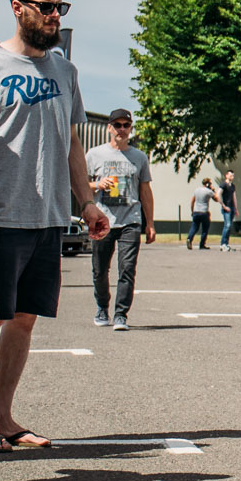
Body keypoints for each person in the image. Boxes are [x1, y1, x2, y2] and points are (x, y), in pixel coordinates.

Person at [0, 0, 109, 454]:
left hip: (47, 217)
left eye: (59, 8)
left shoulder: (65, 69)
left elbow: (72, 147)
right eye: (45, 6)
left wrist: (85, 202)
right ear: (17, 6)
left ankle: (3, 416)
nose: (53, 16)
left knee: (24, 320)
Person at [86, 107, 154, 331]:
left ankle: (121, 314)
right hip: (102, 220)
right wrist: (96, 184)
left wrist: (150, 223)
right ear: (109, 128)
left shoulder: (139, 157)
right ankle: (102, 308)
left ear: (130, 129)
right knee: (99, 269)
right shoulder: (94, 155)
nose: (122, 129)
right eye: (118, 125)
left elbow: (145, 191)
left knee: (127, 268)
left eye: (126, 125)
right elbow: (79, 184)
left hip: (131, 221)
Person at [187, 178, 214, 250]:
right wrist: (213, 190)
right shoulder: (209, 191)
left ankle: (189, 239)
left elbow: (192, 201)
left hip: (196, 211)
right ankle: (202, 244)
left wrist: (192, 211)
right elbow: (216, 199)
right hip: (204, 212)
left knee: (194, 227)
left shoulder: (196, 190)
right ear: (208, 184)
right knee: (205, 228)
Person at [218, 169, 236, 251]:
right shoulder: (223, 185)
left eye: (233, 175)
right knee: (227, 225)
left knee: (229, 226)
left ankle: (226, 243)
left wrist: (236, 208)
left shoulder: (232, 186)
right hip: (226, 208)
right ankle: (223, 243)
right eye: (230, 175)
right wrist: (223, 206)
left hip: (231, 207)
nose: (232, 176)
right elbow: (218, 194)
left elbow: (234, 197)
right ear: (226, 175)